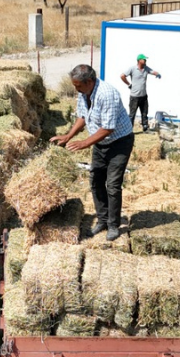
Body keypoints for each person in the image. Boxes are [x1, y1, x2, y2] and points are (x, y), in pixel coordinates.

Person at [50, 64, 135, 241]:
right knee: (96, 181)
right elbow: (83, 116)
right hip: (100, 142)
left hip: (119, 142)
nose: (76, 89)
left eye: (78, 86)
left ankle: (113, 225)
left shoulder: (107, 94)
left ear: (89, 81)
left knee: (112, 185)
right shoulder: (84, 93)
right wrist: (68, 136)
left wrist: (85, 143)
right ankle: (102, 220)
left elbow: (108, 128)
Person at [120, 54, 161, 131]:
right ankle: (129, 131)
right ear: (139, 60)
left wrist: (158, 74)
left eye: (145, 59)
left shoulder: (146, 68)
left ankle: (145, 128)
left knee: (144, 113)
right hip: (134, 97)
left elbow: (153, 71)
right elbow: (122, 76)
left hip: (144, 96)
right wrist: (129, 84)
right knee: (132, 115)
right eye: (144, 59)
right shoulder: (132, 69)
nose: (145, 61)